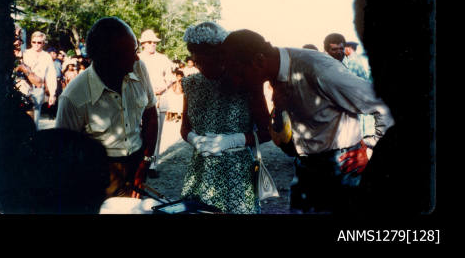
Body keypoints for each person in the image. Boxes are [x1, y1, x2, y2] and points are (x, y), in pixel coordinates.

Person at [221, 29, 394, 214]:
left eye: (239, 74)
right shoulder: (275, 70)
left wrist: (370, 148)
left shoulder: (319, 69)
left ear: (259, 61)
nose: (237, 82)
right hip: (306, 166)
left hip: (340, 166)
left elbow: (384, 104)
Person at [56, 17, 158, 199]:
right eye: (130, 52)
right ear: (108, 58)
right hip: (99, 173)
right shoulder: (73, 98)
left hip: (137, 162)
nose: (137, 57)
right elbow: (65, 154)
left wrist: (145, 161)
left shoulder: (139, 67)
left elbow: (151, 114)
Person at [180, 22, 272, 214]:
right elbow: (185, 128)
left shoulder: (245, 82)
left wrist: (232, 141)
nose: (203, 67)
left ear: (222, 56)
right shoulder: (190, 84)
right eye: (197, 62)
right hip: (201, 171)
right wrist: (195, 140)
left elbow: (267, 132)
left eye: (209, 62)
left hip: (237, 173)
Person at [138, 29, 174, 178]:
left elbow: (171, 78)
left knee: (157, 133)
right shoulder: (137, 59)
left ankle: (153, 164)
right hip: (141, 99)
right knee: (139, 131)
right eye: (149, 42)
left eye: (154, 42)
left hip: (161, 99)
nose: (153, 44)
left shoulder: (163, 59)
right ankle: (139, 162)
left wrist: (164, 87)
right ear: (143, 44)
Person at [22, 31, 57, 129]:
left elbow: (51, 76)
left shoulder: (47, 57)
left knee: (35, 122)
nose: (36, 44)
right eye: (34, 42)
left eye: (39, 42)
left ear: (43, 43)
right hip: (24, 89)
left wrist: (52, 94)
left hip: (38, 90)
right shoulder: (24, 53)